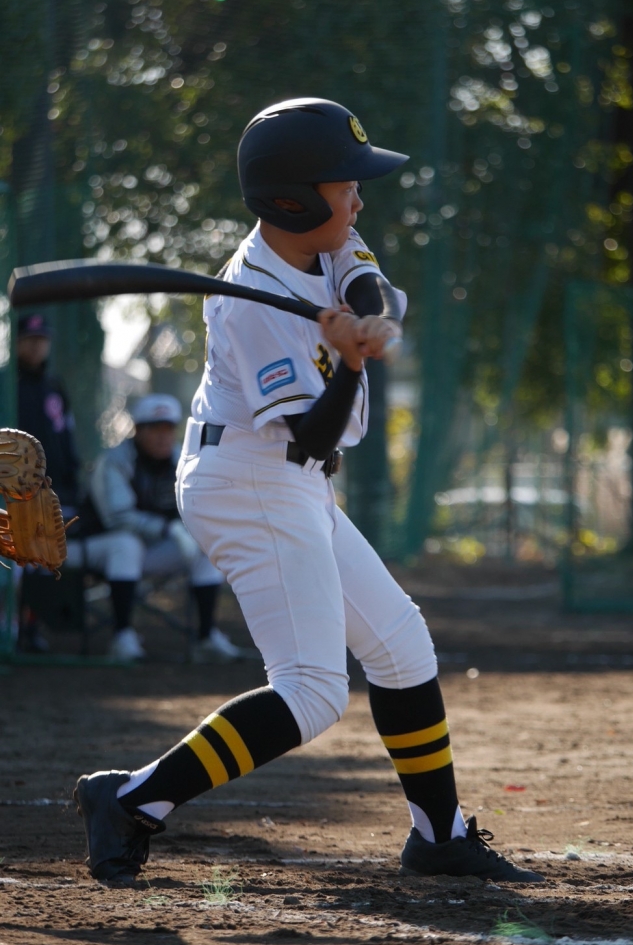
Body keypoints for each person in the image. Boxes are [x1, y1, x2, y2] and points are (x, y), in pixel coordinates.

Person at [74, 98, 543, 885]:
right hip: (247, 481)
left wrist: (371, 323)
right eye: (343, 184)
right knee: (314, 691)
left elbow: (366, 280)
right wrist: (351, 364)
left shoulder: (323, 238)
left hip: (288, 479)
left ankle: (439, 837)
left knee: (401, 644)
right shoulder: (248, 302)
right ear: (292, 200)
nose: (358, 198)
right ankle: (129, 800)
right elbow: (314, 435)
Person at [68, 393, 247, 663]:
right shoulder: (114, 461)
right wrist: (168, 529)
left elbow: (201, 505)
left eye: (168, 428)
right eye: (155, 429)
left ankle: (207, 637)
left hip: (148, 551)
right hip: (95, 547)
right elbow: (118, 519)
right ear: (138, 430)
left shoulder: (183, 459)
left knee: (205, 544)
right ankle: (122, 637)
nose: (163, 436)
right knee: (125, 543)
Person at [16, 313, 81, 652]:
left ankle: (30, 627)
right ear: (17, 342)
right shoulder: (6, 383)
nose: (36, 345)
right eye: (30, 339)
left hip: (52, 490)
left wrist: (71, 479)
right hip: (12, 492)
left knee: (42, 559)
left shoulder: (54, 385)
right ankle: (12, 628)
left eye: (41, 339)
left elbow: (65, 436)